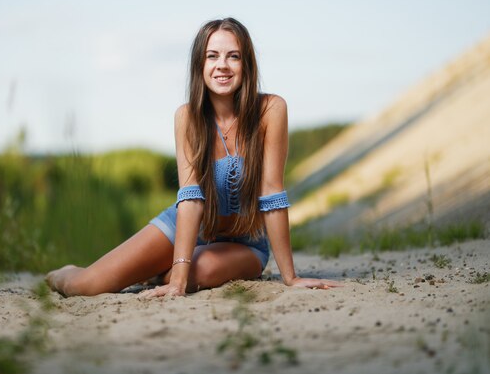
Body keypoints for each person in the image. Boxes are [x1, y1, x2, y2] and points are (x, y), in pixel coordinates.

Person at [46, 17, 342, 298]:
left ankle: (161, 269)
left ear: (247, 64)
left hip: (243, 243)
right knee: (87, 285)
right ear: (200, 64)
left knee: (203, 270)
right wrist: (177, 279)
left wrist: (290, 277)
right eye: (212, 56)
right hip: (185, 227)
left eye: (233, 56)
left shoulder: (271, 110)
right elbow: (190, 197)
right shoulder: (186, 117)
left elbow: (271, 192)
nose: (222, 65)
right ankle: (61, 274)